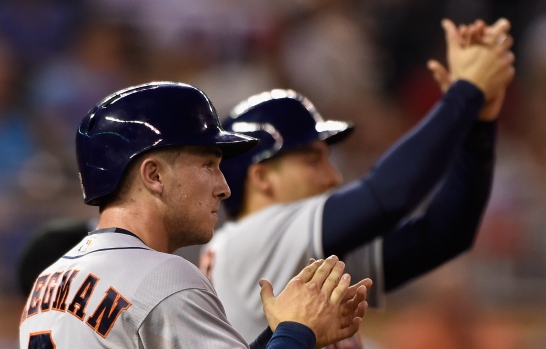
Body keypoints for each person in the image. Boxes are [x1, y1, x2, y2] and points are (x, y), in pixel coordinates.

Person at [199, 18, 516, 346]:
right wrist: (465, 93)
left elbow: (443, 234)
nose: (333, 176)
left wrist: (479, 122)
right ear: (261, 177)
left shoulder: (281, 252)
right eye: (312, 160)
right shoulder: (252, 238)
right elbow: (389, 195)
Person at [19, 81, 371, 349]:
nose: (224, 187)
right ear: (153, 175)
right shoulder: (162, 279)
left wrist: (278, 334)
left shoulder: (47, 282)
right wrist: (298, 330)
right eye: (208, 165)